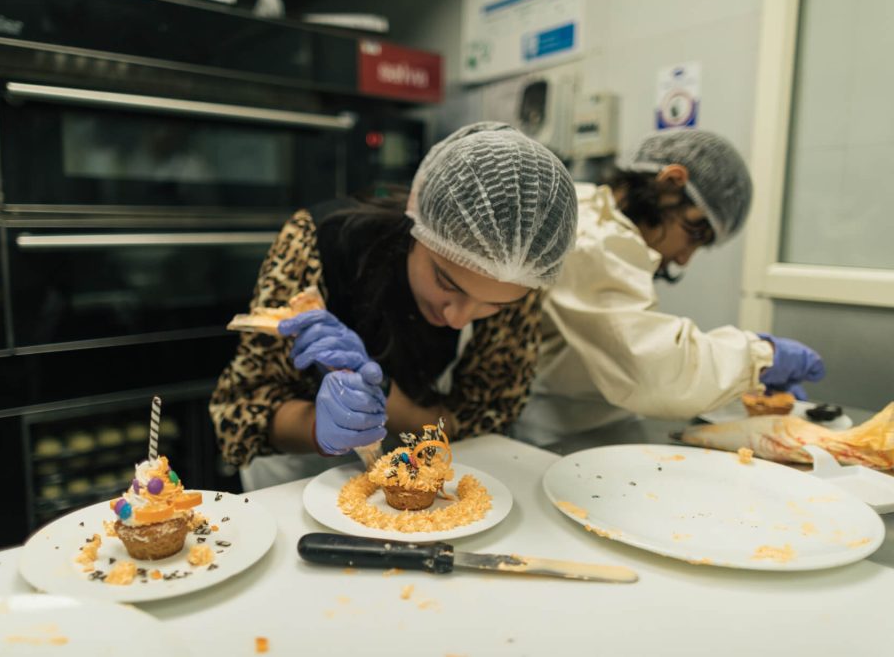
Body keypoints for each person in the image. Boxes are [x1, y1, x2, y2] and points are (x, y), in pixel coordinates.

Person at [210, 122, 578, 489]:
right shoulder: (319, 245)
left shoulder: (521, 273)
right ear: (416, 226)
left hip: (427, 480)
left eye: (494, 305)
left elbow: (484, 420)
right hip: (302, 477)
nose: (457, 317)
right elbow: (243, 412)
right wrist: (321, 428)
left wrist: (388, 399)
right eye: (446, 282)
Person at [514, 129, 825, 447]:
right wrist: (761, 357)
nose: (684, 258)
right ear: (670, 183)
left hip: (597, 423)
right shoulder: (593, 238)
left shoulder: (599, 214)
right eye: (695, 231)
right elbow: (652, 369)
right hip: (551, 437)